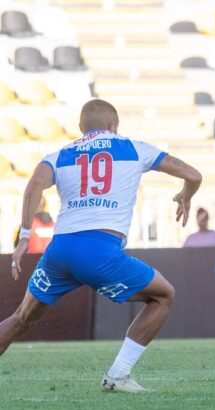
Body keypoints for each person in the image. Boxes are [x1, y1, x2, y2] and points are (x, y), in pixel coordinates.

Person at [2, 99, 202, 392]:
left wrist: (24, 237)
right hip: (100, 250)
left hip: (59, 251)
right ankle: (118, 375)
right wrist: (186, 193)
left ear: (81, 127)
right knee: (163, 296)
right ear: (114, 126)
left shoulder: (59, 155)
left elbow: (34, 185)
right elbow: (194, 175)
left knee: (21, 318)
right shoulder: (134, 148)